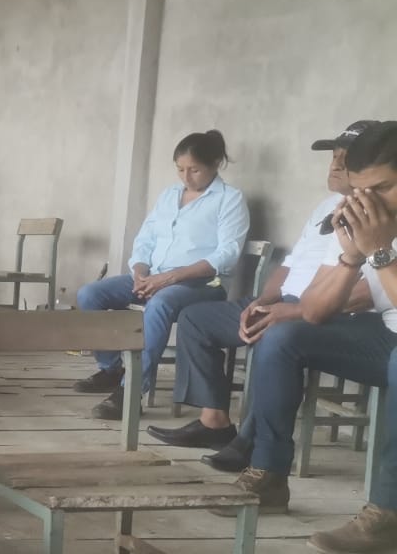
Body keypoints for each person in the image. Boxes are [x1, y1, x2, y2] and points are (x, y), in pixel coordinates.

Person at [218, 122, 397, 554]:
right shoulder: (368, 219)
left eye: (384, 188)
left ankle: (389, 513)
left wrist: (380, 252)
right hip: (385, 334)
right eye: (362, 191)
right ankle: (269, 473)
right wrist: (350, 255)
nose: (370, 201)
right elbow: (315, 310)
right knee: (284, 335)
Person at [149, 123, 376, 461]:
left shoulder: (380, 214)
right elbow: (289, 265)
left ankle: (252, 443)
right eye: (334, 156)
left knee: (275, 336)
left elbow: (369, 289)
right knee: (195, 320)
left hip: (334, 312)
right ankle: (214, 422)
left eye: (348, 158)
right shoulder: (328, 206)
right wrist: (262, 301)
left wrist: (294, 311)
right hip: (287, 300)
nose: (335, 165)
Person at [72, 130, 249, 420]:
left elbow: (227, 253)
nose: (186, 177)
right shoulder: (169, 196)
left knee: (161, 304)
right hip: (154, 277)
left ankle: (131, 392)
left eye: (194, 170)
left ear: (216, 163)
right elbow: (145, 239)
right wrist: (140, 272)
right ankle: (111, 369)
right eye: (180, 169)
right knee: (90, 294)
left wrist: (170, 278)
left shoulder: (230, 199)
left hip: (201, 284)